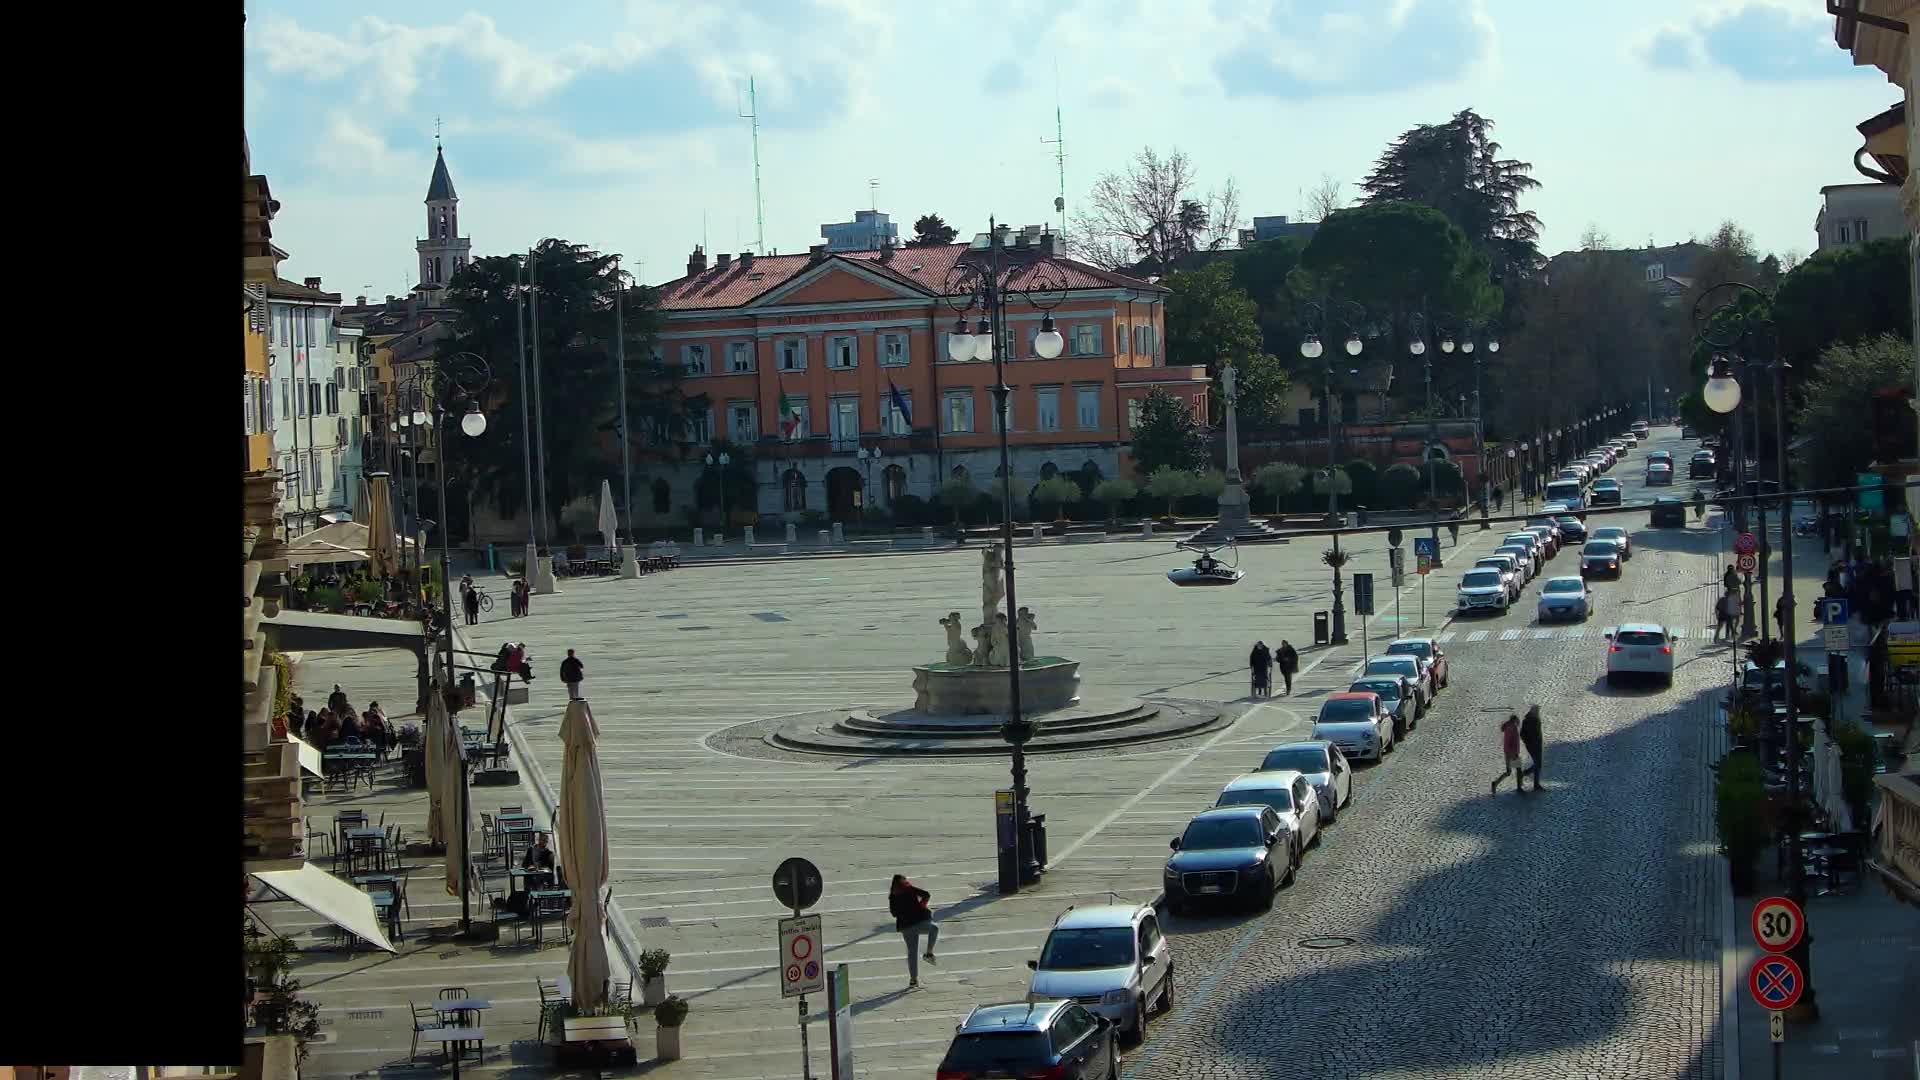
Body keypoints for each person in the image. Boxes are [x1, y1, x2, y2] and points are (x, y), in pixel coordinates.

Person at [888, 874, 938, 989]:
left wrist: (903, 912)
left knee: (912, 952)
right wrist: (921, 906)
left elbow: (893, 913)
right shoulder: (909, 888)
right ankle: (928, 953)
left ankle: (913, 980)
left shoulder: (893, 895)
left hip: (905, 927)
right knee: (934, 929)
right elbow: (926, 895)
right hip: (918, 922)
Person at [1491, 714, 1525, 795]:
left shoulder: (1507, 727)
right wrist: (1514, 754)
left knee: (1508, 772)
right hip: (1513, 753)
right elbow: (1511, 741)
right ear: (1515, 720)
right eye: (1517, 721)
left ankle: (1495, 783)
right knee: (1519, 770)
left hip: (1507, 752)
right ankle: (1519, 788)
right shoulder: (1512, 728)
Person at [1519, 705, 1544, 791]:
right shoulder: (1529, 721)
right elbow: (1522, 734)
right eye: (1537, 710)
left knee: (1538, 764)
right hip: (1533, 746)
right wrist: (1529, 742)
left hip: (1537, 745)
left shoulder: (1535, 719)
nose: (1538, 712)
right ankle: (1525, 775)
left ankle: (1535, 783)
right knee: (1538, 764)